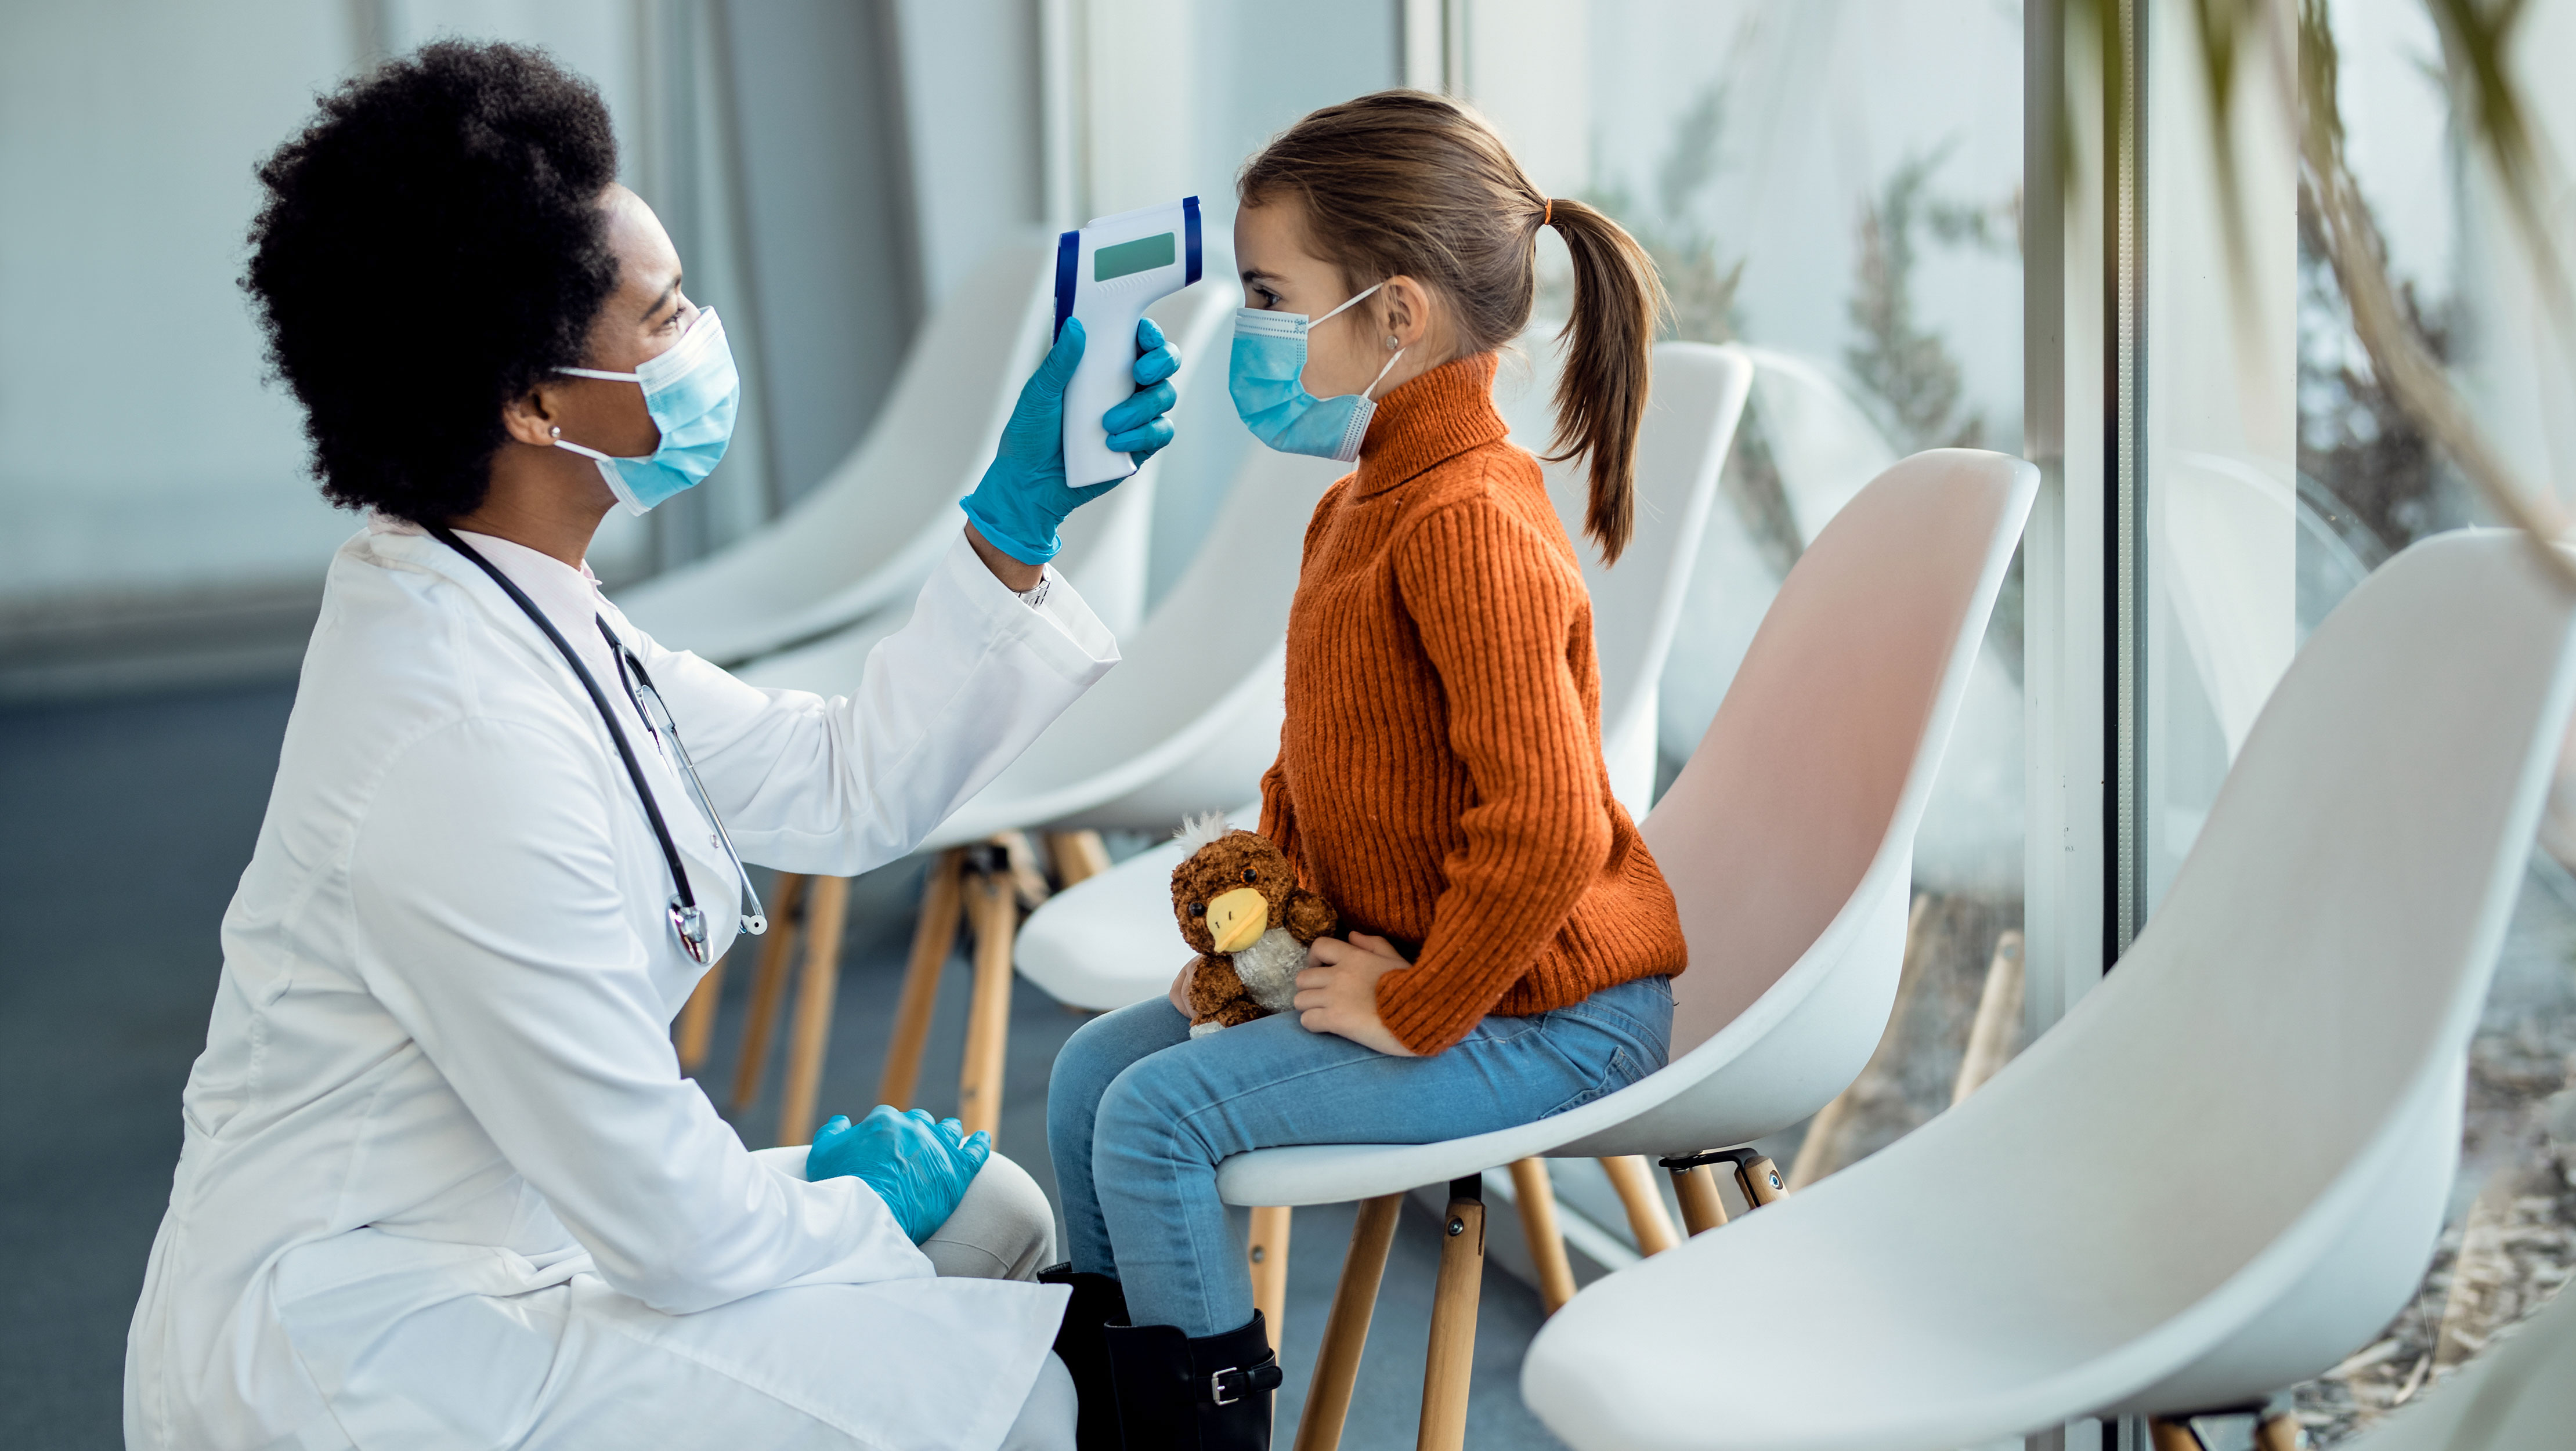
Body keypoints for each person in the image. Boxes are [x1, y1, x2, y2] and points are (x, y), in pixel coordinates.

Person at [122, 42, 1176, 1451]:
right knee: (1036, 1400)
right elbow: (673, 1226)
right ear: (533, 403)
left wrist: (1016, 521)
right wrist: (861, 1203)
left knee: (994, 1229)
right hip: (366, 1344)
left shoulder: (514, 599)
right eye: (664, 316)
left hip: (524, 1229)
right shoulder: (459, 734)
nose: (702, 342)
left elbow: (837, 783)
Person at [1045, 91, 1688, 1450]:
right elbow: (1321, 776)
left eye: (1273, 294)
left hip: (1543, 1010)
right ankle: (1107, 1408)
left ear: (1394, 317)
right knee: (1093, 1075)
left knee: (1158, 1120)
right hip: (1422, 967)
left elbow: (1551, 826)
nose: (1249, 330)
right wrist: (1259, 954)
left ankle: (1194, 1434)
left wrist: (1418, 1004)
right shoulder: (1356, 501)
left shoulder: (1465, 518)